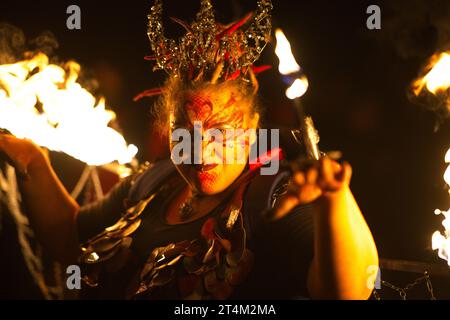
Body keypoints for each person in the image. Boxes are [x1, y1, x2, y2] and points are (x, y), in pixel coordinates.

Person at [0, 0, 378, 300]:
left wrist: (335, 200)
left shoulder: (275, 192)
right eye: (186, 132)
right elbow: (70, 239)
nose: (200, 151)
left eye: (220, 131)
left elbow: (348, 292)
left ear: (250, 131)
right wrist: (33, 159)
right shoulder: (155, 180)